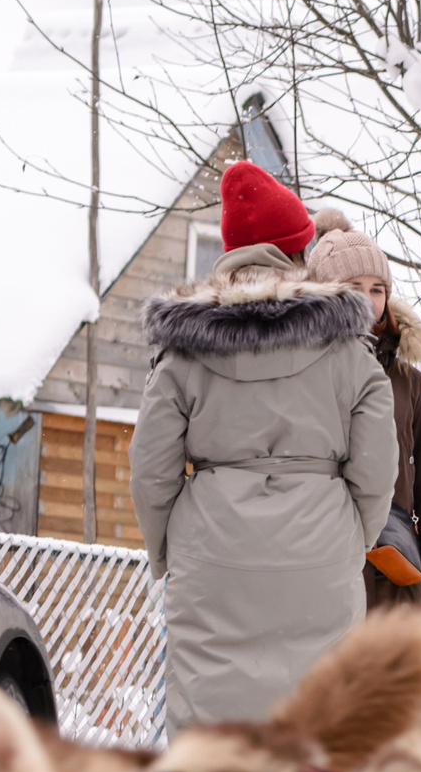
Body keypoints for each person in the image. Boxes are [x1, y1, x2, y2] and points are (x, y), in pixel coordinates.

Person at [130, 162, 397, 734]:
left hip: (211, 549)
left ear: (229, 252)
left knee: (209, 714)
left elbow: (150, 468)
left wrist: (168, 550)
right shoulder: (348, 349)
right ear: (298, 252)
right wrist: (355, 536)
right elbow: (377, 464)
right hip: (322, 547)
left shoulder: (182, 352)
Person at [304, 209, 421, 618]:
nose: (368, 299)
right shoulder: (296, 373)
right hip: (312, 588)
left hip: (391, 595)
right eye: (353, 286)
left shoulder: (410, 385)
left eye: (377, 288)